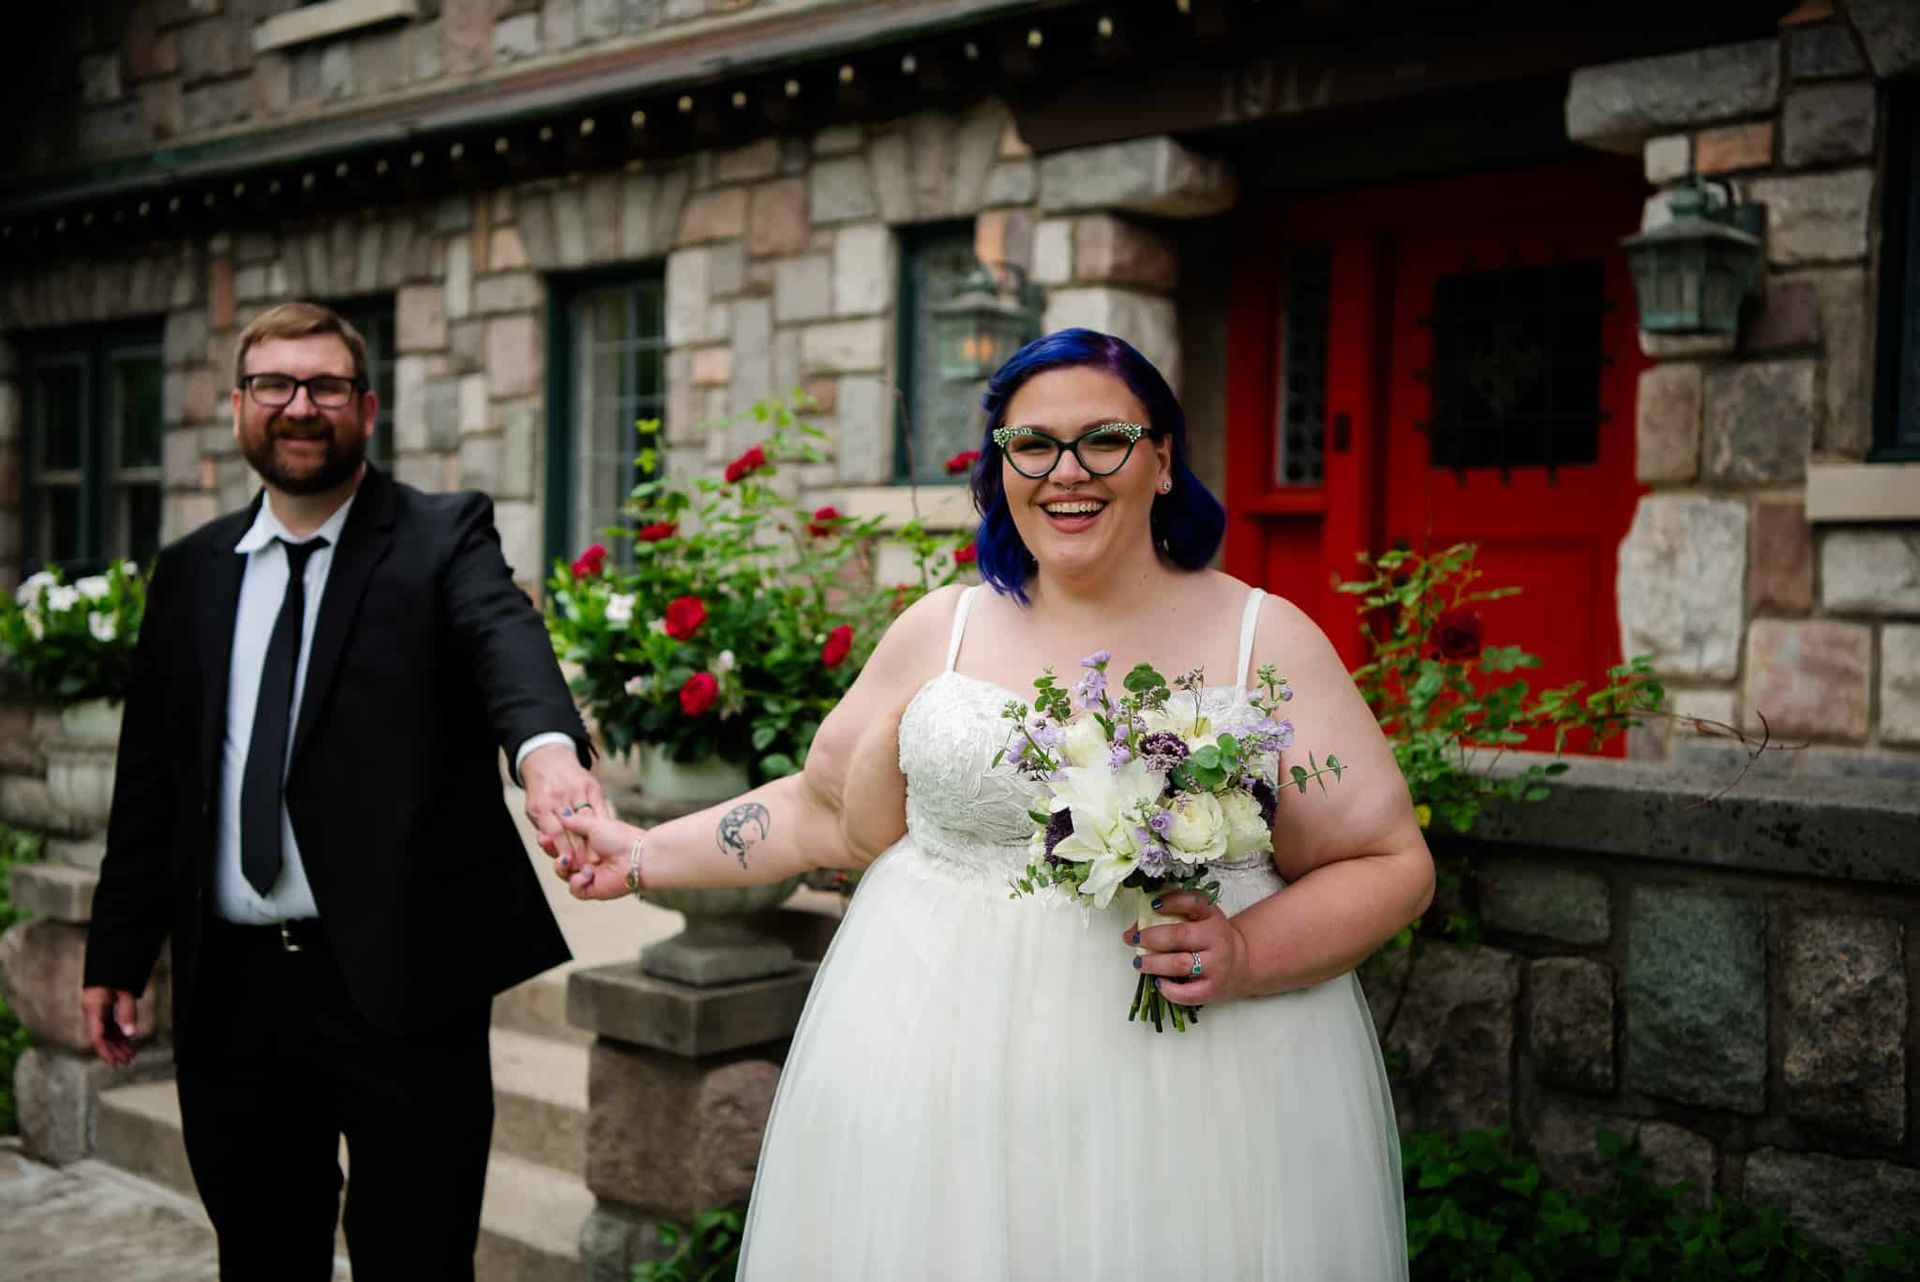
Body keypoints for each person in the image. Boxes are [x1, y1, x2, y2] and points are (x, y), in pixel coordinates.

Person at [555, 328, 1432, 1279]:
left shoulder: (1264, 640)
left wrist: (1252, 950)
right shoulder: (943, 630)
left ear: (1164, 458)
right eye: (1032, 445)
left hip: (1193, 1093)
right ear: (1000, 469)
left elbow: (1391, 863)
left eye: (1104, 439)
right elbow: (815, 809)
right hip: (937, 1076)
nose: (1067, 473)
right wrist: (640, 853)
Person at [81, 301, 604, 1281]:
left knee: (417, 1258)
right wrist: (117, 948)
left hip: (404, 982)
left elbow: (505, 638)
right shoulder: (190, 574)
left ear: (367, 407)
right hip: (230, 990)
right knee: (262, 1253)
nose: (299, 405)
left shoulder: (443, 537)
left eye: (324, 385)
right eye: (273, 384)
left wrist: (546, 753)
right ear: (238, 407)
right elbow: (150, 780)